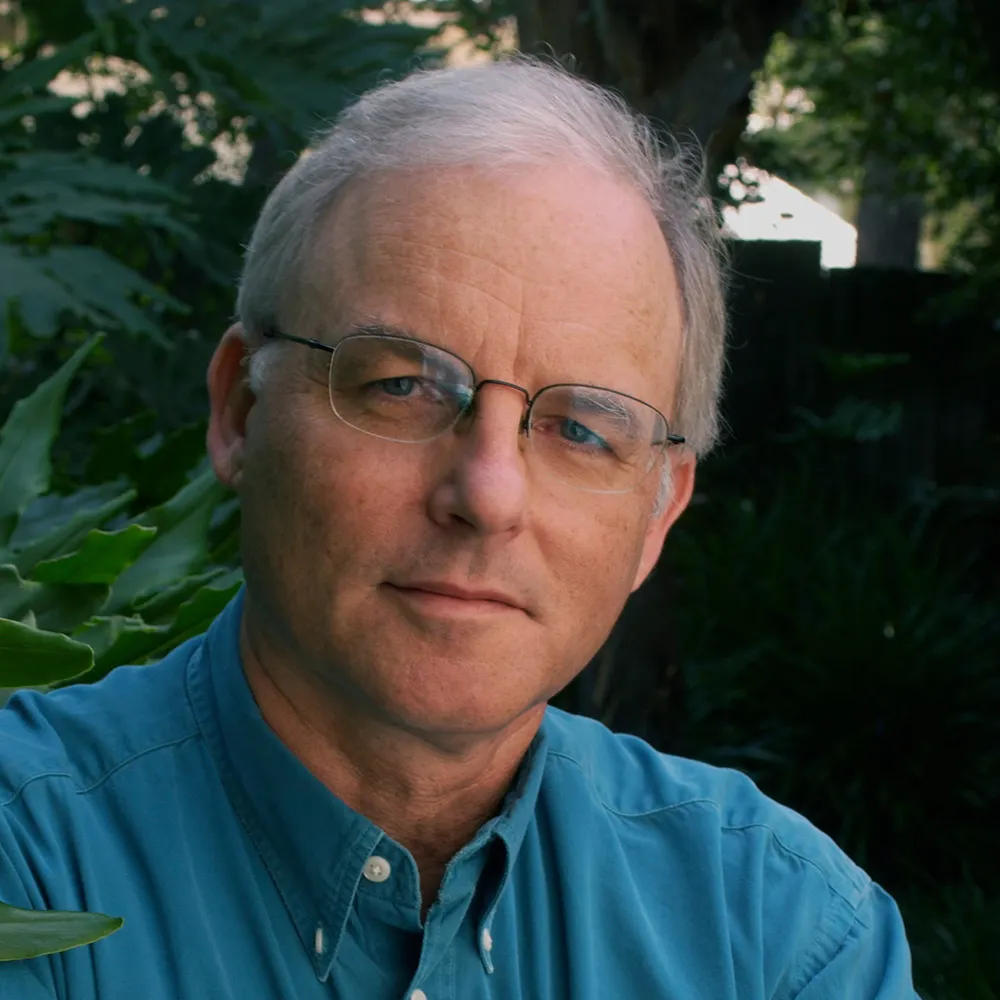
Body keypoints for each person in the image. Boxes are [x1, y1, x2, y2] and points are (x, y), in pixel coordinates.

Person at [0, 57, 918, 999]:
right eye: (402, 386)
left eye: (581, 430)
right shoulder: (23, 862)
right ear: (242, 410)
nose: (488, 494)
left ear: (658, 513)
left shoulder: (778, 933)